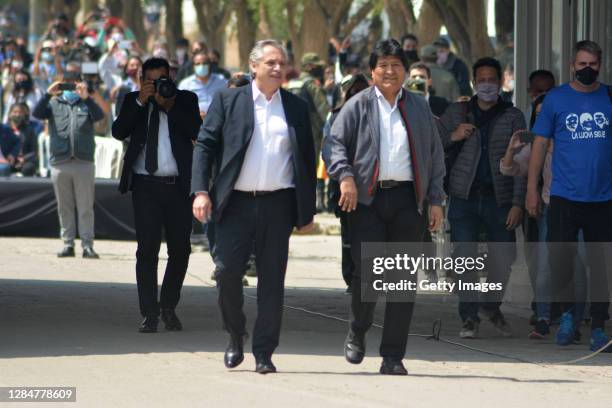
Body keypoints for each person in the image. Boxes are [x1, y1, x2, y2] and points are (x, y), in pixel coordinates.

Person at [192, 39, 316, 374]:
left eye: (282, 63)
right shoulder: (229, 100)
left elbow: (307, 158)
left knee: (272, 280)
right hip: (235, 204)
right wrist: (201, 191)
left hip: (278, 204)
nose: (277, 69)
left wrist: (307, 209)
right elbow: (205, 145)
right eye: (271, 63)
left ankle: (264, 352)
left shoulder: (296, 107)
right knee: (227, 273)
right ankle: (235, 334)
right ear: (254, 66)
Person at [323, 39, 446, 375]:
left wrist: (435, 200)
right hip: (368, 201)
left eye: (396, 65)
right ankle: (357, 330)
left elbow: (434, 156)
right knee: (370, 275)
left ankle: (393, 355)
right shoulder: (358, 105)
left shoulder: (419, 107)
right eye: (383, 65)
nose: (390, 71)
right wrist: (345, 177)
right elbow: (333, 145)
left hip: (408, 201)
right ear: (372, 71)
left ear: (404, 71)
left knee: (403, 280)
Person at [527, 40, 612, 352]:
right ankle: (566, 318)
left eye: (592, 64)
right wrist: (531, 190)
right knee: (561, 260)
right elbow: (538, 146)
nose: (586, 69)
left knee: (601, 264)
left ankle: (599, 327)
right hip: (563, 196)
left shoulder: (609, 96)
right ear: (572, 66)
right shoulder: (556, 99)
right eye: (581, 64)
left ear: (599, 64)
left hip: (603, 198)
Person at [438, 57, 527, 339]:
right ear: (474, 82)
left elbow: (523, 164)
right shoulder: (458, 112)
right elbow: (434, 147)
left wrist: (517, 203)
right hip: (463, 197)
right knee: (464, 256)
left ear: (500, 82)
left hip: (499, 200)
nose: (487, 84)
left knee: (503, 257)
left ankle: (491, 305)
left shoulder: (513, 116)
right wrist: (453, 135)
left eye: (492, 79)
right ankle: (469, 316)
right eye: (482, 80)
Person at [111, 57, 202, 333]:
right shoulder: (132, 101)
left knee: (180, 250)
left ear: (170, 78)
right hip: (145, 186)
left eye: (162, 80)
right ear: (142, 80)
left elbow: (196, 131)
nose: (157, 86)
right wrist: (142, 101)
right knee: (147, 250)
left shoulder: (185, 99)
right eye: (151, 81)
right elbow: (118, 131)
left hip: (177, 187)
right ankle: (149, 312)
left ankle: (168, 306)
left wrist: (169, 106)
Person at [32, 63, 105, 259]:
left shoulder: (85, 103)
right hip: (60, 161)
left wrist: (87, 98)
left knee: (85, 206)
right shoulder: (54, 103)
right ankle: (68, 244)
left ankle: (87, 245)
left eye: (74, 84)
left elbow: (100, 117)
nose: (71, 88)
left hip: (83, 162)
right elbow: (37, 114)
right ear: (60, 84)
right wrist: (48, 94)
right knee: (64, 206)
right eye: (67, 84)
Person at [324, 73, 369, 293]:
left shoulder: (378, 114)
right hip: (345, 188)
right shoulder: (336, 117)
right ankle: (352, 277)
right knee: (350, 237)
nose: (358, 97)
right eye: (353, 92)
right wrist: (343, 175)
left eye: (363, 91)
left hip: (373, 189)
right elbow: (329, 150)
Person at [287, 52, 330, 212]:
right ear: (310, 67)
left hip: (291, 132)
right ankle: (314, 203)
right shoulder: (312, 84)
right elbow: (324, 111)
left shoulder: (291, 84)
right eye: (318, 66)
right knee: (315, 167)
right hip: (313, 133)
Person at [178, 51, 227, 117]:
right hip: (195, 122)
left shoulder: (221, 81)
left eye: (204, 63)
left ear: (209, 65)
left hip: (218, 121)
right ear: (193, 66)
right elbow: (180, 106)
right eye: (198, 64)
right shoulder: (185, 84)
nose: (201, 66)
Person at [4, 103, 40, 176]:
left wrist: (24, 159)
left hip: (25, 161)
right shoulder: (4, 130)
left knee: (28, 168)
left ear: (24, 114)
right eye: (15, 112)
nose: (17, 115)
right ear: (9, 114)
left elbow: (33, 151)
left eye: (20, 112)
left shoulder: (30, 130)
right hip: (8, 160)